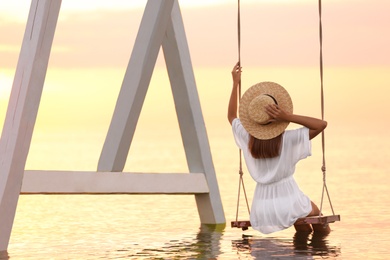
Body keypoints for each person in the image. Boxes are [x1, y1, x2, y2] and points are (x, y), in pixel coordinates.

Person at [228, 62, 330, 234]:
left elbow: (231, 116)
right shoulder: (288, 139)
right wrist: (287, 116)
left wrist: (235, 84)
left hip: (261, 208)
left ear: (254, 120)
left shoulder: (248, 139)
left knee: (303, 227)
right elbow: (321, 124)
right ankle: (320, 250)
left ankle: (301, 245)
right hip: (290, 201)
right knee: (319, 220)